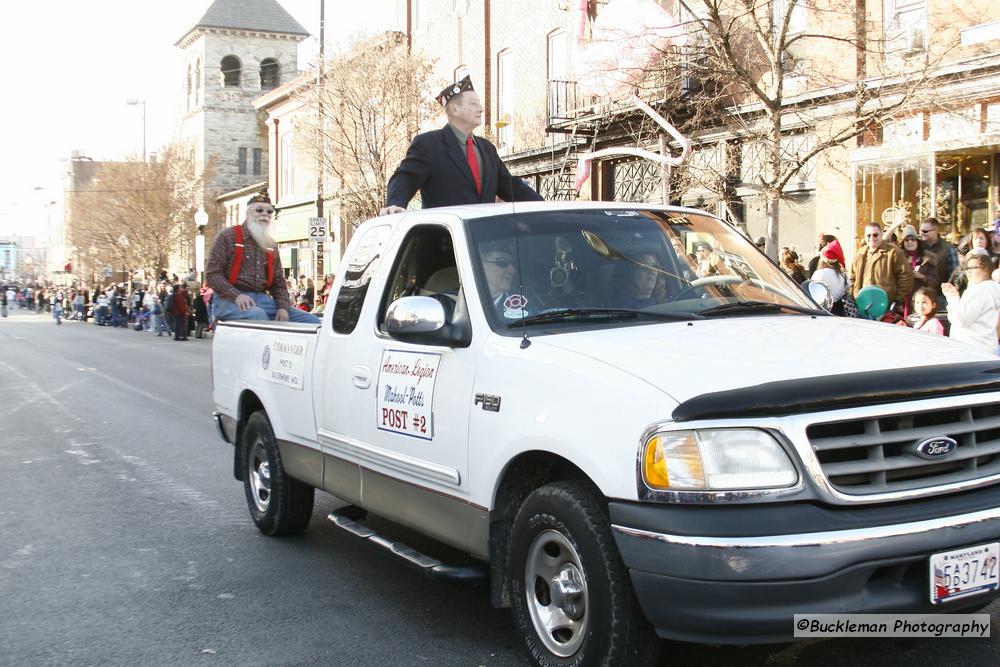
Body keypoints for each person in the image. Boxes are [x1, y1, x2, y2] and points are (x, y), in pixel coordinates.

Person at [380, 76, 542, 214]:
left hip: (481, 244)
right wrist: (395, 204)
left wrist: (544, 206)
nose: (481, 109)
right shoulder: (429, 145)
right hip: (445, 243)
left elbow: (510, 186)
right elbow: (405, 178)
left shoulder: (487, 149)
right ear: (454, 109)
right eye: (473, 104)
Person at [205, 192, 321, 324]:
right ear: (248, 213)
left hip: (261, 299)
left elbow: (278, 283)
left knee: (311, 321)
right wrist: (236, 295)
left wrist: (283, 307)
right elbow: (212, 274)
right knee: (257, 315)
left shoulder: (270, 245)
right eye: (259, 210)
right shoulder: (228, 236)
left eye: (269, 211)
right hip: (227, 299)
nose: (265, 214)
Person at [942, 253, 1000, 354]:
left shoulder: (980, 290)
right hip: (986, 348)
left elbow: (961, 320)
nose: (968, 272)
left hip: (974, 350)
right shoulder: (992, 288)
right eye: (966, 268)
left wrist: (952, 299)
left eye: (972, 268)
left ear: (985, 269)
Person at [849, 223, 913, 310]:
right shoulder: (859, 254)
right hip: (862, 305)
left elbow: (906, 277)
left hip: (886, 306)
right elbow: (852, 278)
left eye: (875, 235)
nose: (872, 238)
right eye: (868, 235)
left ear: (881, 235)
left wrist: (898, 300)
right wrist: (854, 296)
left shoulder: (894, 252)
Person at [898, 224, 937, 317]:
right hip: (902, 301)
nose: (910, 242)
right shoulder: (898, 258)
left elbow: (935, 281)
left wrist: (922, 276)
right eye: (906, 240)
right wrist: (898, 301)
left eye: (913, 239)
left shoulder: (928, 258)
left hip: (921, 301)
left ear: (917, 241)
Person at [810, 243, 850, 316]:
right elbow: (849, 290)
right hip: (840, 310)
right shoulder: (843, 276)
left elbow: (812, 291)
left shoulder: (818, 273)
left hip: (822, 310)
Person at [919, 217, 960, 285]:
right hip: (919, 292)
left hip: (939, 292)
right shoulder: (918, 246)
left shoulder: (948, 249)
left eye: (925, 231)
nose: (922, 233)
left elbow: (954, 275)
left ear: (936, 231)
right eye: (920, 230)